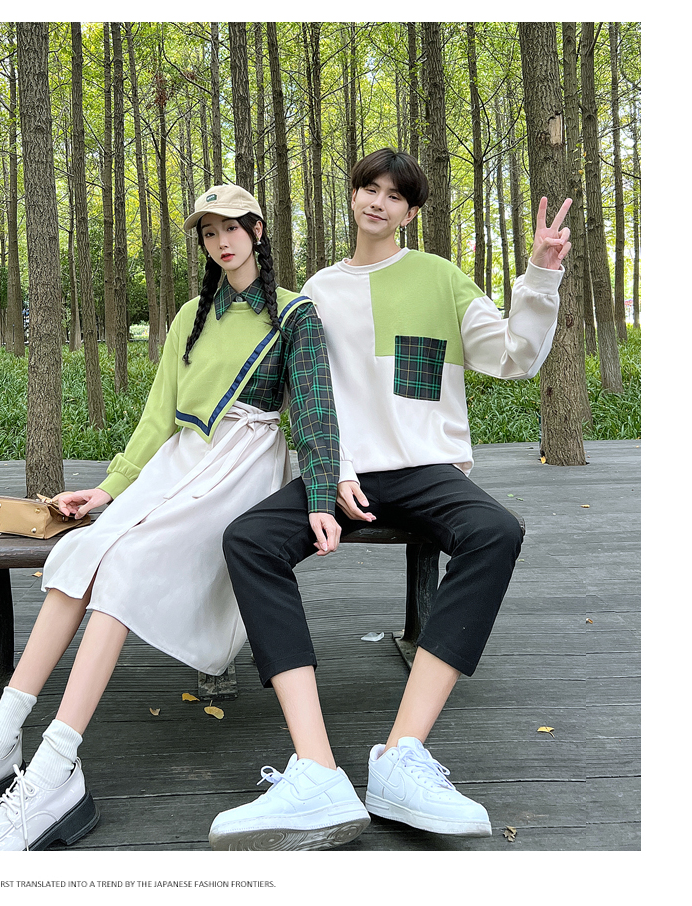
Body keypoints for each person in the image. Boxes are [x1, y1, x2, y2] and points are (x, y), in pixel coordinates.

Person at [0, 184, 351, 851]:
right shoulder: (191, 315)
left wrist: (319, 498)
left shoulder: (295, 314)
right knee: (78, 552)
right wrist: (109, 489)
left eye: (232, 227)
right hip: (177, 463)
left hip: (243, 468)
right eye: (209, 232)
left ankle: (54, 768)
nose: (221, 241)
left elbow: (315, 412)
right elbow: (158, 416)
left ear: (258, 230)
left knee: (126, 566)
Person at [210, 148, 572, 851]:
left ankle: (402, 754)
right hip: (343, 473)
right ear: (352, 196)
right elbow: (307, 396)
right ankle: (315, 767)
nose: (378, 201)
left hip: (426, 469)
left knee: (496, 529)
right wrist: (333, 470)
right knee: (248, 540)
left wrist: (540, 275)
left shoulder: (440, 277)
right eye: (368, 188)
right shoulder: (317, 291)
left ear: (410, 211)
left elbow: (514, 357)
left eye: (395, 195)